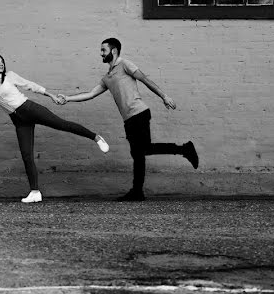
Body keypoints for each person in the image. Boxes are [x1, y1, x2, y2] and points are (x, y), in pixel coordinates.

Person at [0, 53, 109, 203]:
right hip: (18, 120)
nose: (1, 63)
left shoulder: (11, 76)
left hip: (30, 109)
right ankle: (35, 192)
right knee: (26, 155)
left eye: (2, 61)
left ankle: (96, 137)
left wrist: (50, 95)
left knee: (62, 124)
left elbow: (29, 84)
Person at [58, 38, 198, 201]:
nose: (101, 53)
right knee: (138, 153)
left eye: (103, 50)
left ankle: (183, 150)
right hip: (129, 120)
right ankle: (138, 191)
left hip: (139, 113)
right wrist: (67, 98)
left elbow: (144, 79)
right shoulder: (107, 78)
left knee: (142, 150)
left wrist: (164, 96)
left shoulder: (125, 64)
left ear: (114, 50)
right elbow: (90, 94)